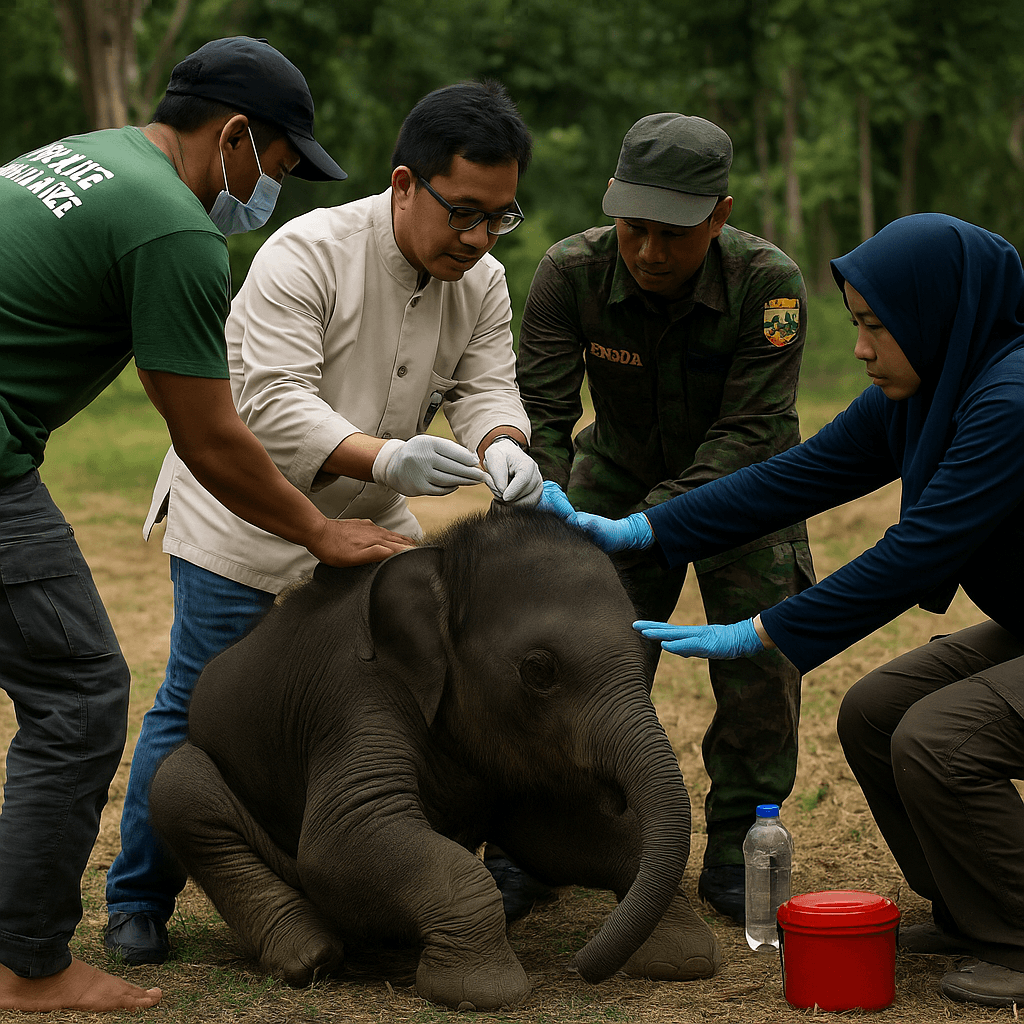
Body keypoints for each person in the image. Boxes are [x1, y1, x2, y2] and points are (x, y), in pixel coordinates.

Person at [0, 36, 416, 1014]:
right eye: (274, 164)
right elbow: (211, 437)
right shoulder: (173, 228)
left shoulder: (87, 153)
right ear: (233, 135)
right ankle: (28, 965)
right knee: (79, 692)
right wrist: (319, 533)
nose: (273, 187)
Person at [103, 79, 544, 967]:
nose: (479, 238)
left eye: (500, 217)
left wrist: (503, 440)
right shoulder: (305, 252)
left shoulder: (484, 279)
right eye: (464, 212)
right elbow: (268, 405)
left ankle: (388, 868)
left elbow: (486, 380)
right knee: (201, 703)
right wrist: (388, 458)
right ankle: (139, 898)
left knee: (411, 689)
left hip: (373, 523)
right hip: (245, 515)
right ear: (405, 183)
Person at [562, 212, 1024, 1008]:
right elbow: (798, 475)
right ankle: (973, 909)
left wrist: (763, 628)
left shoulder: (1009, 400)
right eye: (857, 325)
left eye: (879, 328)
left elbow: (920, 548)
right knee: (877, 711)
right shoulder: (934, 386)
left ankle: (1019, 933)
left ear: (936, 316)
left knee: (939, 737)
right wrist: (647, 526)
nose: (860, 349)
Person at [520, 112, 815, 924]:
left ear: (719, 217)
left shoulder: (768, 284)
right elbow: (540, 408)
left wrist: (656, 521)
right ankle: (539, 842)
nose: (648, 252)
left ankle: (735, 847)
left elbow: (751, 432)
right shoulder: (570, 271)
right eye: (633, 228)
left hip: (746, 490)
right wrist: (543, 493)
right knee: (574, 665)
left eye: (673, 234)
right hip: (611, 476)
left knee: (760, 667)